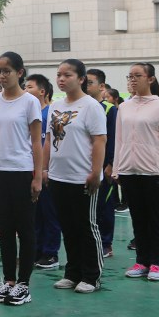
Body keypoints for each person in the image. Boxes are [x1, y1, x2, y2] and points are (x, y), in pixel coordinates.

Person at [0, 52, 43, 306]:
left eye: (7, 71)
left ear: (20, 72)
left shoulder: (30, 102)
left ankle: (24, 284)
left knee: (25, 229)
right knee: (4, 229)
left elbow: (37, 142)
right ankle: (9, 281)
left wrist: (37, 176)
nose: (2, 75)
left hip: (22, 172)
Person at [44, 59, 107, 293]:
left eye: (67, 75)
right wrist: (44, 169)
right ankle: (72, 273)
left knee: (86, 227)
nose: (61, 79)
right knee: (68, 227)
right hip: (59, 176)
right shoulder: (55, 106)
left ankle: (92, 276)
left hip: (82, 177)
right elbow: (48, 140)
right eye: (59, 74)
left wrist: (95, 172)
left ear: (81, 79)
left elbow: (99, 140)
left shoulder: (91, 106)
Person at [114, 63, 159, 282]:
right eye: (130, 76)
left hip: (153, 171)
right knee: (138, 219)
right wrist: (117, 168)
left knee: (156, 220)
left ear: (150, 79)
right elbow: (119, 140)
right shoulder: (124, 106)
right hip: (129, 170)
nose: (133, 80)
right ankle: (142, 261)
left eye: (138, 76)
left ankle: (157, 263)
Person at [25, 74, 61, 270]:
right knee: (34, 215)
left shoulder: (51, 113)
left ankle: (51, 253)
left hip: (46, 171)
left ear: (42, 91)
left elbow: (50, 143)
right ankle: (37, 250)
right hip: (29, 169)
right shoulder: (29, 112)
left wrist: (44, 168)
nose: (25, 89)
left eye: (29, 86)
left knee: (49, 214)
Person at [86, 69, 118, 258]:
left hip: (104, 166)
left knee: (104, 205)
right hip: (84, 165)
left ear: (102, 86)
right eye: (85, 82)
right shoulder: (81, 107)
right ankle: (91, 240)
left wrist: (111, 164)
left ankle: (106, 243)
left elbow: (113, 139)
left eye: (90, 82)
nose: (86, 86)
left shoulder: (109, 109)